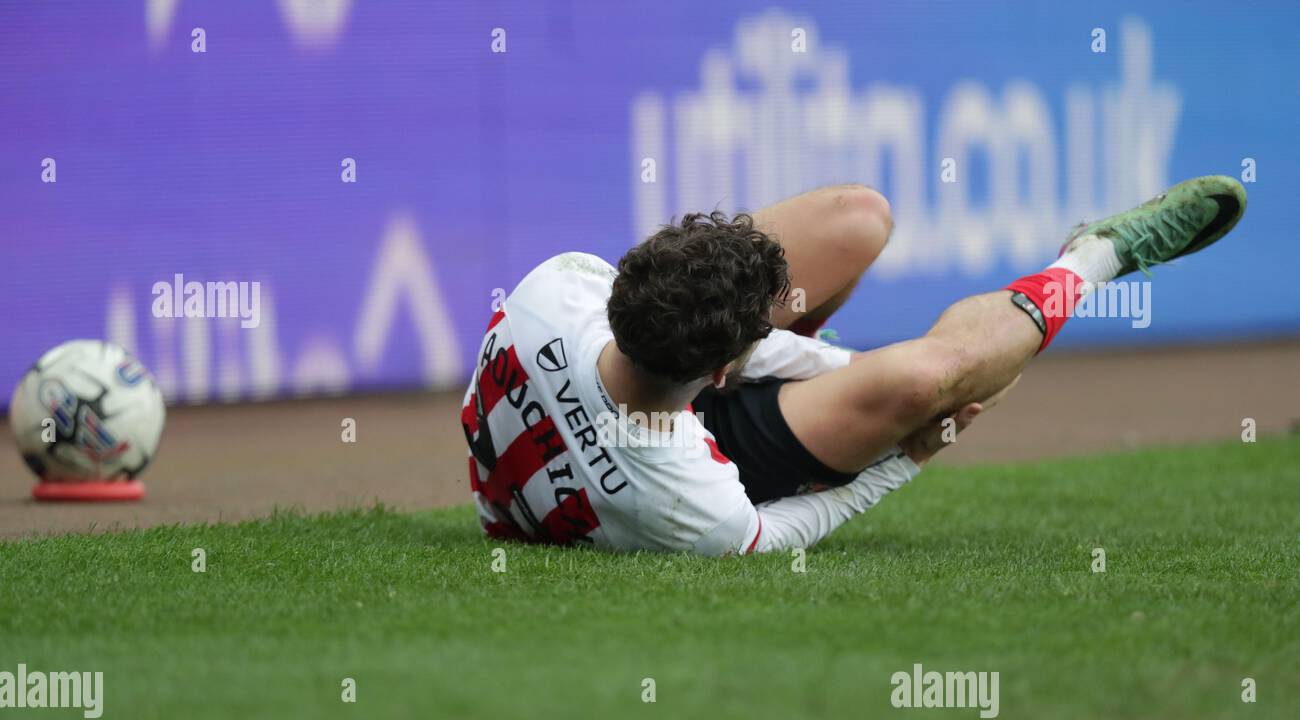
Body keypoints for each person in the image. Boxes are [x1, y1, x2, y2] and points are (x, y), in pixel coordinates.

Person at [460, 176, 1245, 554]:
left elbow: (744, 344)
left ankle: (867, 376)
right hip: (671, 457)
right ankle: (1097, 256)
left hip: (647, 396)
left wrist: (835, 364)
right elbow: (785, 532)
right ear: (724, 374)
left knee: (859, 218)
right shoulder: (693, 502)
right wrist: (907, 452)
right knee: (930, 382)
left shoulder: (557, 288)